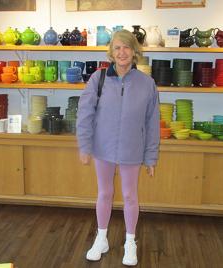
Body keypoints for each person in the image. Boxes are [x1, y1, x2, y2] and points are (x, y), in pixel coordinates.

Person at [76, 29, 160, 266]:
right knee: (104, 193)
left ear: (134, 51)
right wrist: (84, 145)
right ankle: (101, 238)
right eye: (117, 48)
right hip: (102, 148)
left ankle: (130, 241)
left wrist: (150, 157)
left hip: (132, 150)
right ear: (111, 53)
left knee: (130, 196)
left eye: (126, 47)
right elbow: (85, 114)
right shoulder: (98, 79)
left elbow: (151, 123)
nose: (122, 52)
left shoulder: (146, 84)